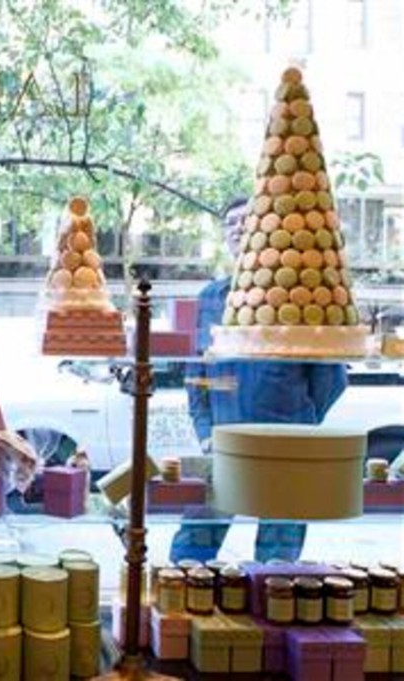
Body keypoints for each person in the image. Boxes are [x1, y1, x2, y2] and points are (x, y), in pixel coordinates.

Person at [170, 198, 348, 563]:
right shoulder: (209, 299)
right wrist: (205, 432)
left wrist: (298, 426)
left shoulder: (298, 299)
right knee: (193, 545)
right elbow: (195, 375)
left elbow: (331, 378)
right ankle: (178, 612)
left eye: (246, 220)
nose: (237, 228)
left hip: (287, 448)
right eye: (229, 222)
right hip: (224, 445)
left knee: (278, 558)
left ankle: (268, 612)